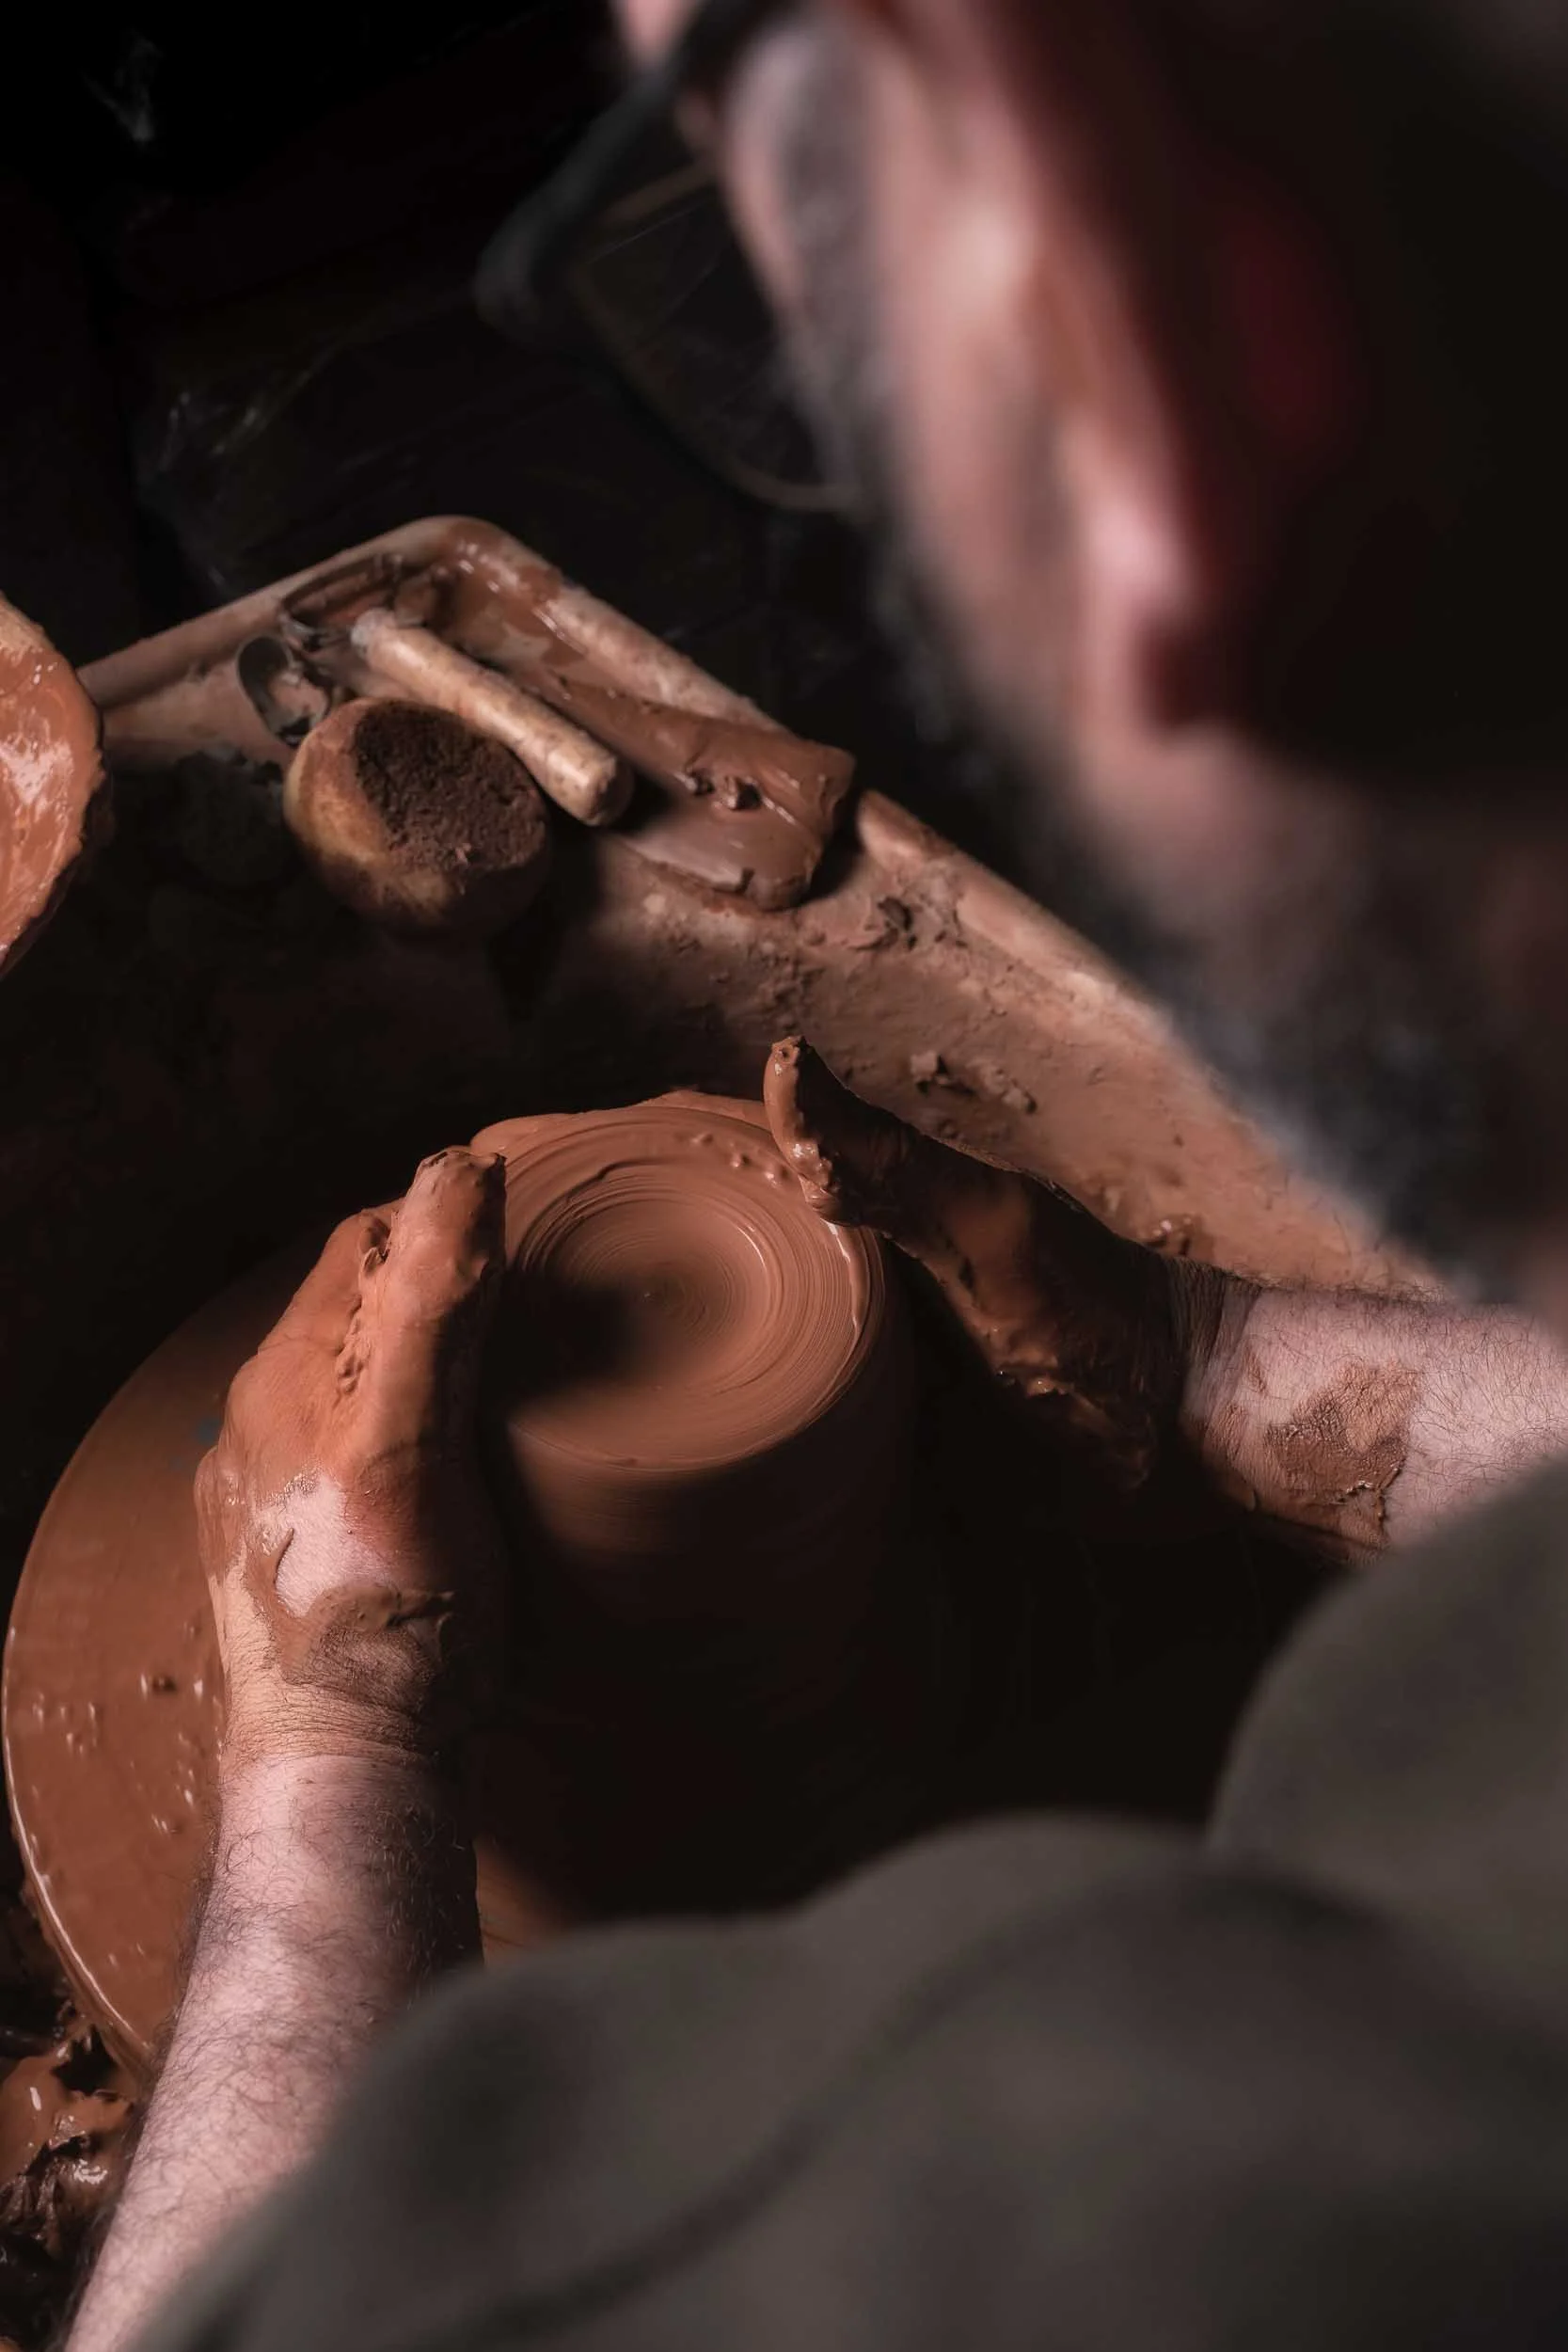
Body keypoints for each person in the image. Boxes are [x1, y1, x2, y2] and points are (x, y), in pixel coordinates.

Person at [65, 1, 1568, 2344]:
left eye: (754, 223)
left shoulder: (1126, 2177)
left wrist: (337, 1735)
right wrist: (1205, 1358)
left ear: (1171, 364)